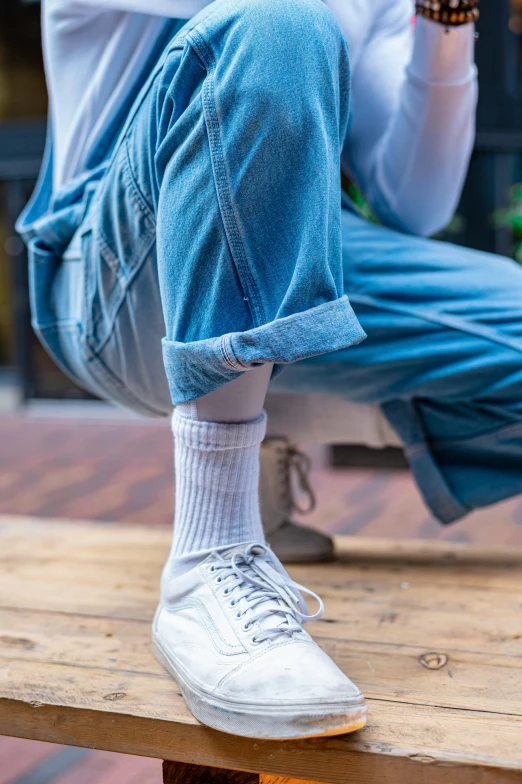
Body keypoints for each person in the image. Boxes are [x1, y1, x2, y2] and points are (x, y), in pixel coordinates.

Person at [16, 0, 493, 740]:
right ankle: (210, 555)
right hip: (109, 286)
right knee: (277, 26)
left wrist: (444, 21)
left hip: (305, 254)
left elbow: (413, 203)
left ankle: (262, 442)